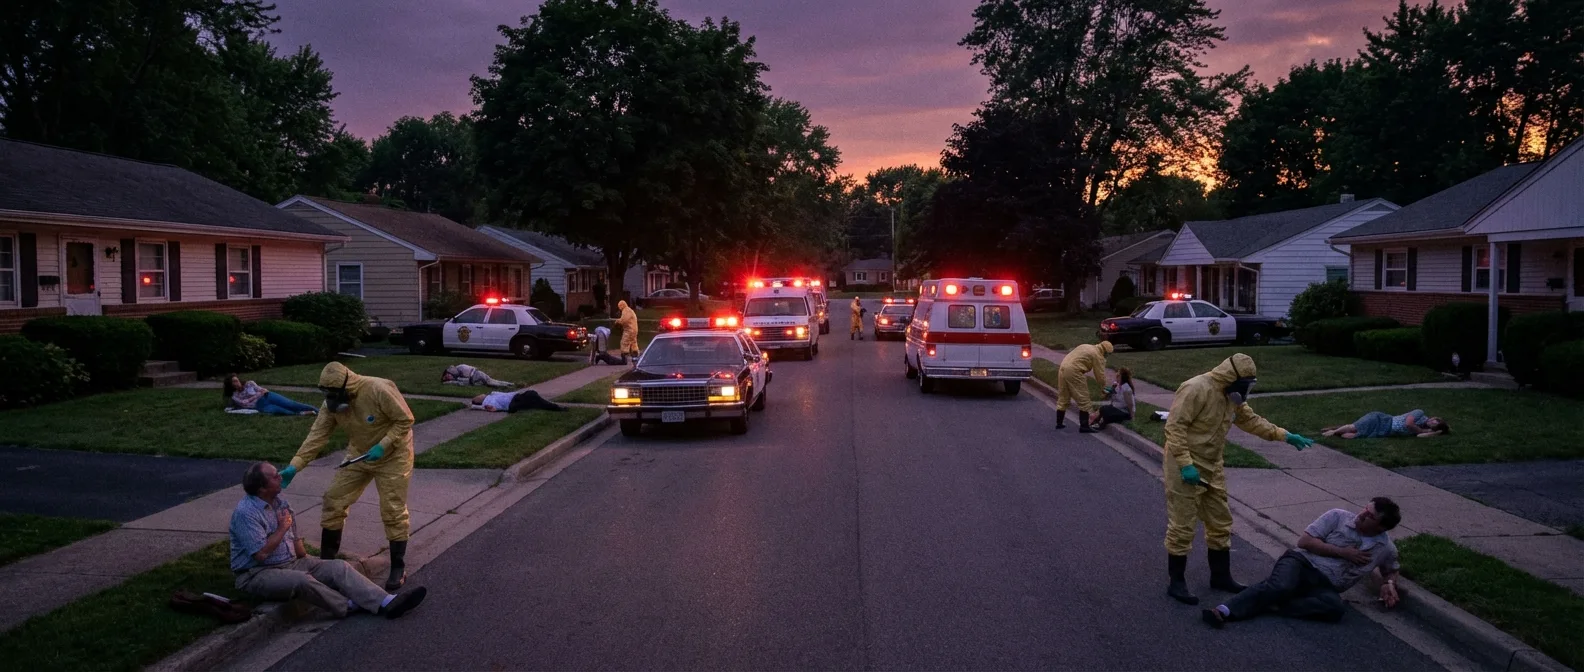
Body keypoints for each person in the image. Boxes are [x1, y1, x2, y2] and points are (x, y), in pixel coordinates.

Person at [1162, 353, 1317, 605]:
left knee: (1221, 522)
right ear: (1231, 376)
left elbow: (1250, 421)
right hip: (1184, 466)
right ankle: (1176, 582)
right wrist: (1185, 464)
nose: (1245, 391)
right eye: (1244, 385)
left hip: (1212, 466)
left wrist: (1284, 435)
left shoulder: (1230, 397)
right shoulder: (1195, 389)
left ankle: (1220, 577)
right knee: (1182, 526)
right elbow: (1174, 428)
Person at [279, 362, 416, 591]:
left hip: (394, 455)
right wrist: (295, 466)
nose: (331, 399)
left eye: (335, 394)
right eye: (327, 394)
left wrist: (383, 445)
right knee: (334, 499)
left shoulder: (377, 389)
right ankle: (328, 565)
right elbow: (317, 436)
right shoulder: (331, 404)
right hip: (359, 454)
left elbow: (405, 419)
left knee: (392, 509)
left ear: (347, 386)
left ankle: (398, 566)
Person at [230, 462, 427, 619]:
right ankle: (348, 605)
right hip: (256, 573)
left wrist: (310, 561)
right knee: (302, 580)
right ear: (262, 488)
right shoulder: (246, 514)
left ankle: (388, 602)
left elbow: (296, 539)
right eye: (275, 476)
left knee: (338, 567)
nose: (280, 476)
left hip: (291, 562)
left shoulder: (281, 503)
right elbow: (261, 554)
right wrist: (282, 528)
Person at [1203, 498, 1403, 628]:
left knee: (1335, 609)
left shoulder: (1385, 548)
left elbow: (1391, 569)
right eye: (1365, 509)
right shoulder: (1338, 517)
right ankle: (1224, 611)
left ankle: (1272, 604)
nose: (1362, 514)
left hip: (1326, 585)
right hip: (1300, 563)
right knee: (1281, 585)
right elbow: (1305, 542)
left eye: (1370, 516)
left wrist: (1389, 584)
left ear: (1382, 527)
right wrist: (1343, 553)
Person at [1054, 341, 1114, 433]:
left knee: (1063, 396)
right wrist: (1104, 387)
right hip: (1075, 371)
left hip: (1063, 367)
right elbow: (1100, 375)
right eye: (1108, 354)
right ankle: (1084, 426)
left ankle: (1059, 423)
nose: (1107, 356)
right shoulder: (1098, 355)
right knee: (1083, 398)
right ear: (1105, 351)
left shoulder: (1086, 346)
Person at [224, 375, 318, 416]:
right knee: (282, 411)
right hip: (261, 405)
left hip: (268, 396)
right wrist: (258, 394)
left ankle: (318, 411)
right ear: (230, 385)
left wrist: (259, 393)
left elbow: (262, 390)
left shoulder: (249, 383)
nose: (236, 383)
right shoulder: (234, 396)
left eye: (236, 380)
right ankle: (302, 414)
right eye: (233, 382)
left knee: (291, 404)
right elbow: (245, 403)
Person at [1323, 410, 1449, 439]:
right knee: (1354, 427)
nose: (1432, 422)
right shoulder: (1419, 413)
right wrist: (1422, 431)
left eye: (1434, 425)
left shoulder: (1423, 430)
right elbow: (1408, 424)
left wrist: (1434, 433)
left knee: (1355, 435)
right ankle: (1333, 432)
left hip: (1385, 431)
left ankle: (1336, 432)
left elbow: (1419, 437)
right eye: (1434, 420)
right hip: (1382, 420)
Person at [470, 388, 567, 413]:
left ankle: (554, 407)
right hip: (512, 405)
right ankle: (555, 407)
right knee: (533, 397)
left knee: (533, 397)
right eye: (476, 397)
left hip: (516, 397)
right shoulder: (485, 404)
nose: (478, 395)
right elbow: (473, 406)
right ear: (478, 401)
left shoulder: (492, 394)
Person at [440, 364, 513, 388]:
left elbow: (473, 369)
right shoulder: (457, 378)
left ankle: (509, 385)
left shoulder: (460, 367)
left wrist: (471, 377)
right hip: (476, 379)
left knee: (492, 382)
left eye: (447, 376)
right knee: (492, 382)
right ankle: (509, 385)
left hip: (478, 375)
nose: (449, 378)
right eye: (447, 378)